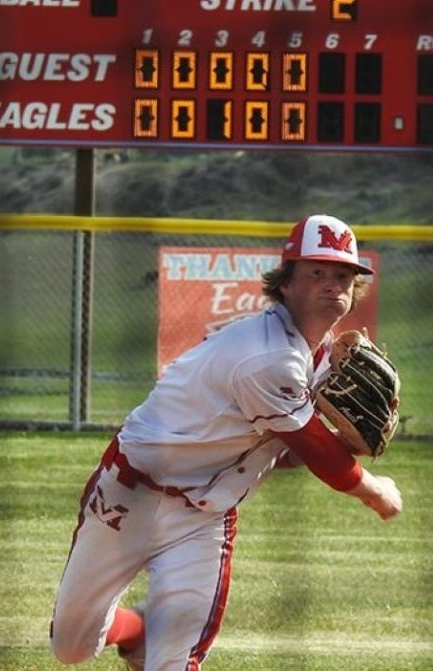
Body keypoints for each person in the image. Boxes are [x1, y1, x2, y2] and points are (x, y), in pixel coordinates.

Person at [49, 214, 403, 671]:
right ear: (287, 281)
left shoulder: (320, 358)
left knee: (175, 663)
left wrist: (341, 444)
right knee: (71, 647)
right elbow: (316, 452)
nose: (332, 284)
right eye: (316, 272)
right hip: (128, 493)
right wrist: (373, 489)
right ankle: (139, 630)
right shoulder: (267, 354)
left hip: (204, 519)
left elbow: (284, 453)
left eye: (343, 274)